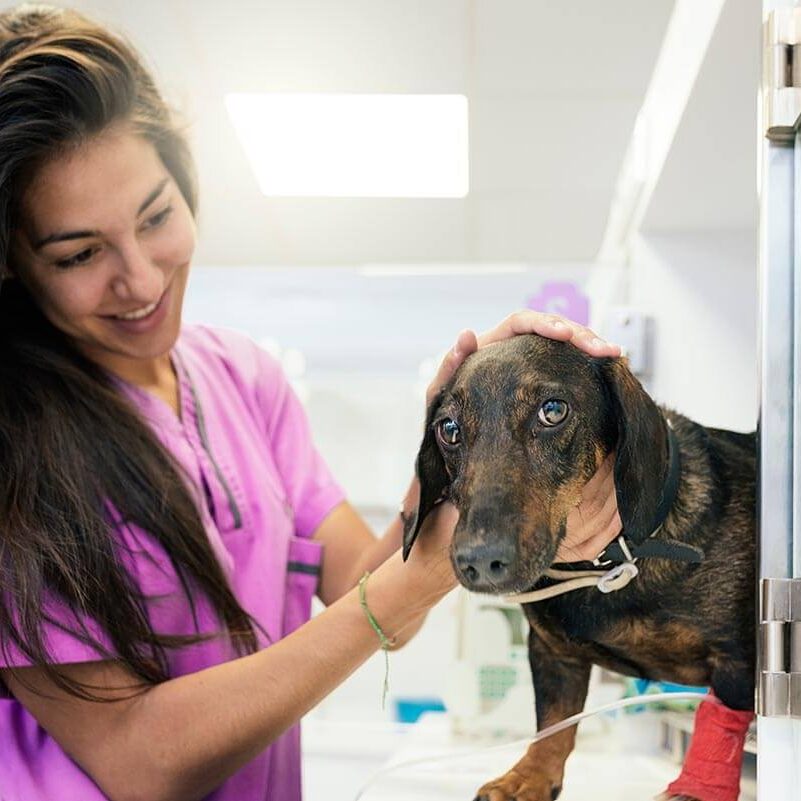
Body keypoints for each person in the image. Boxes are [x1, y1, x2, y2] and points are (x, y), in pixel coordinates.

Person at [0, 5, 623, 801]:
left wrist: (461, 441)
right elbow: (138, 760)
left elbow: (372, 596)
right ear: (15, 265)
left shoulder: (243, 379)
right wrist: (414, 577)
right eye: (81, 253)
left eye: (156, 215)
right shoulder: (18, 448)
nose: (143, 278)